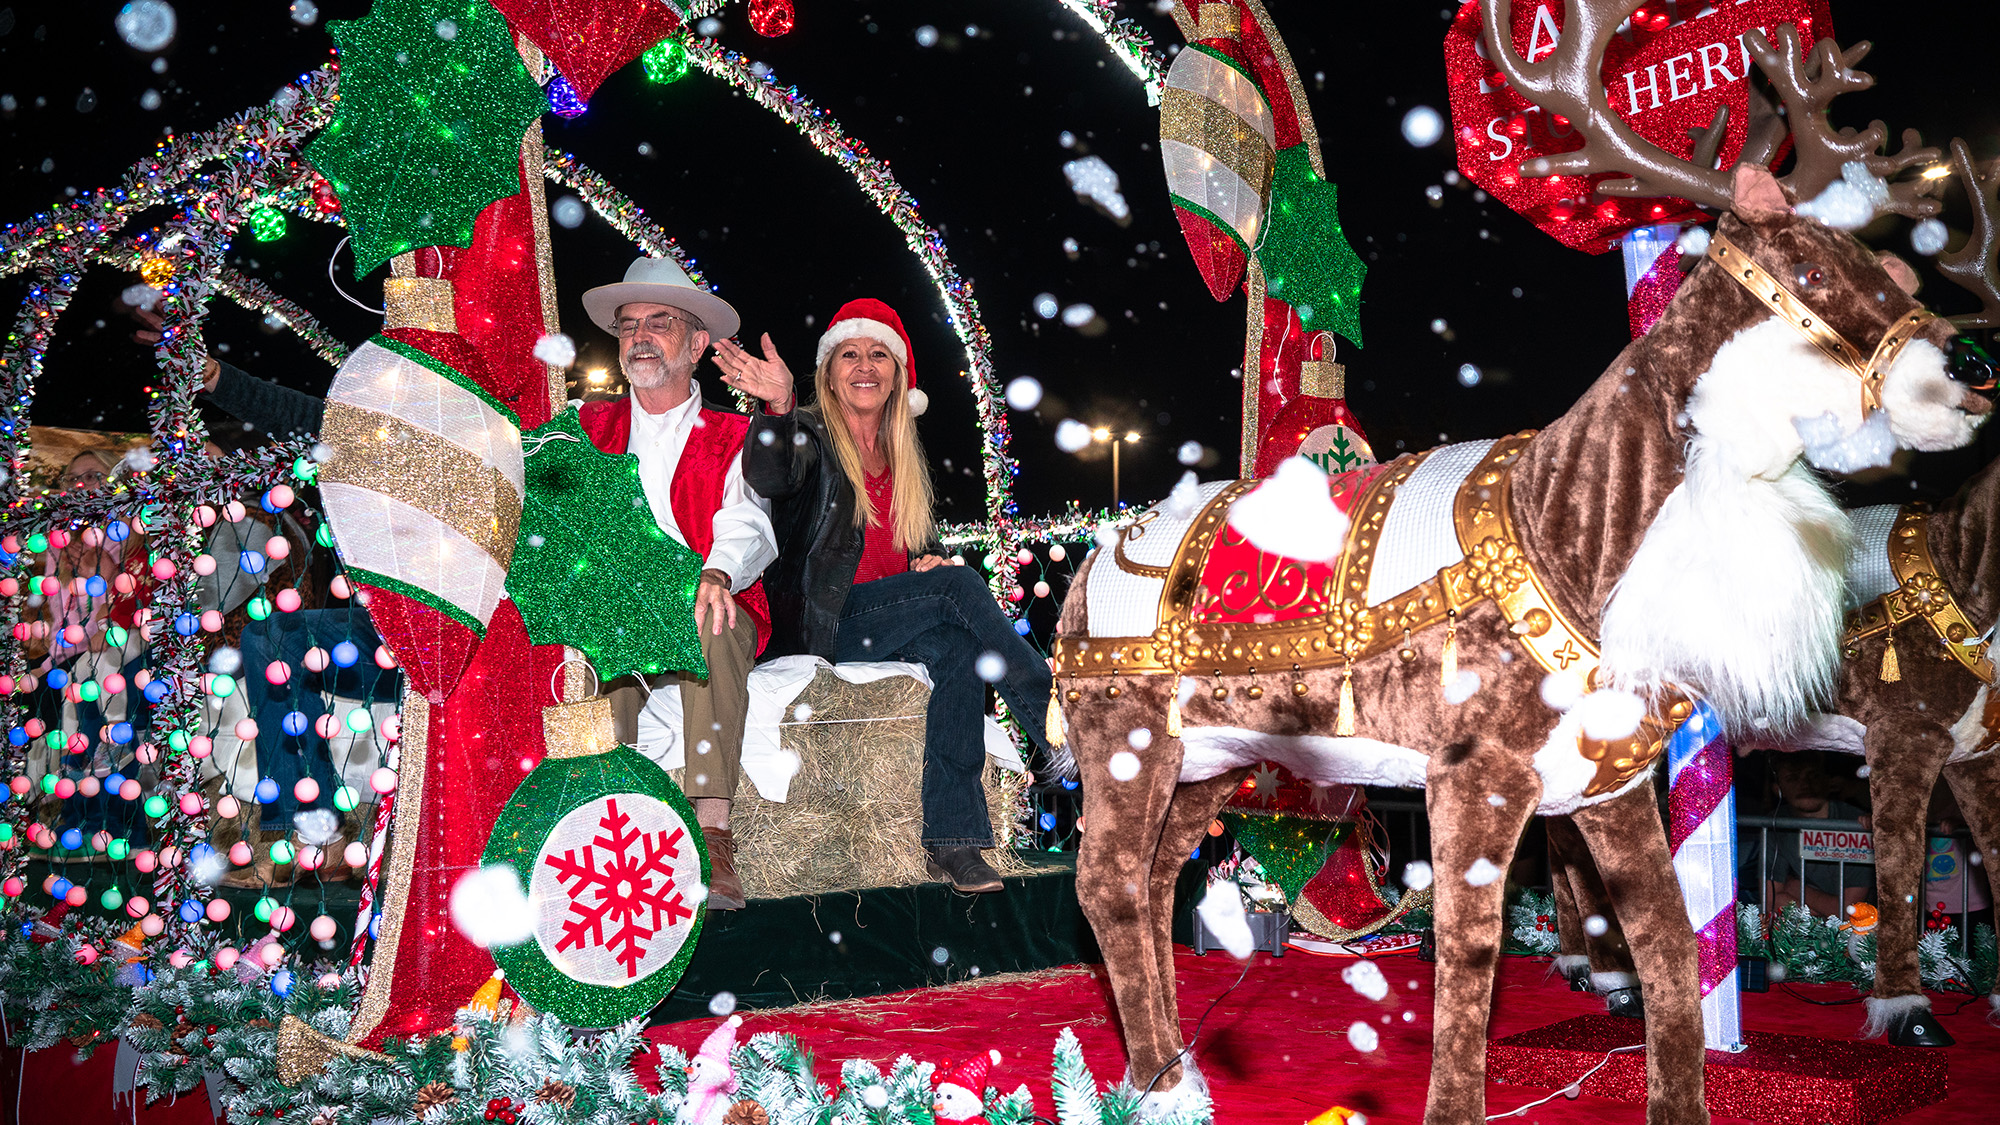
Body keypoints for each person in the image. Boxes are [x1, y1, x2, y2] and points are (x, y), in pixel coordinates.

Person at [719, 298, 1055, 894]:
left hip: (882, 623)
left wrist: (927, 559)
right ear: (827, 372)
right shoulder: (809, 436)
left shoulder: (903, 453)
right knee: (959, 587)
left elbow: (908, 549)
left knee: (956, 644)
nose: (865, 365)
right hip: (825, 624)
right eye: (849, 354)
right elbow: (771, 477)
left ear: (899, 374)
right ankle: (1057, 719)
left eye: (879, 354)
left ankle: (954, 841)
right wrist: (776, 408)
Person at [577, 257, 779, 911]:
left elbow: (750, 521)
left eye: (659, 322)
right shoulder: (583, 428)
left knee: (711, 615)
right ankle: (606, 832)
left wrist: (716, 571)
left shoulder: (736, 435)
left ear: (695, 344)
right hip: (622, 607)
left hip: (705, 594)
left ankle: (712, 833)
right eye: (629, 324)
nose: (640, 335)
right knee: (589, 633)